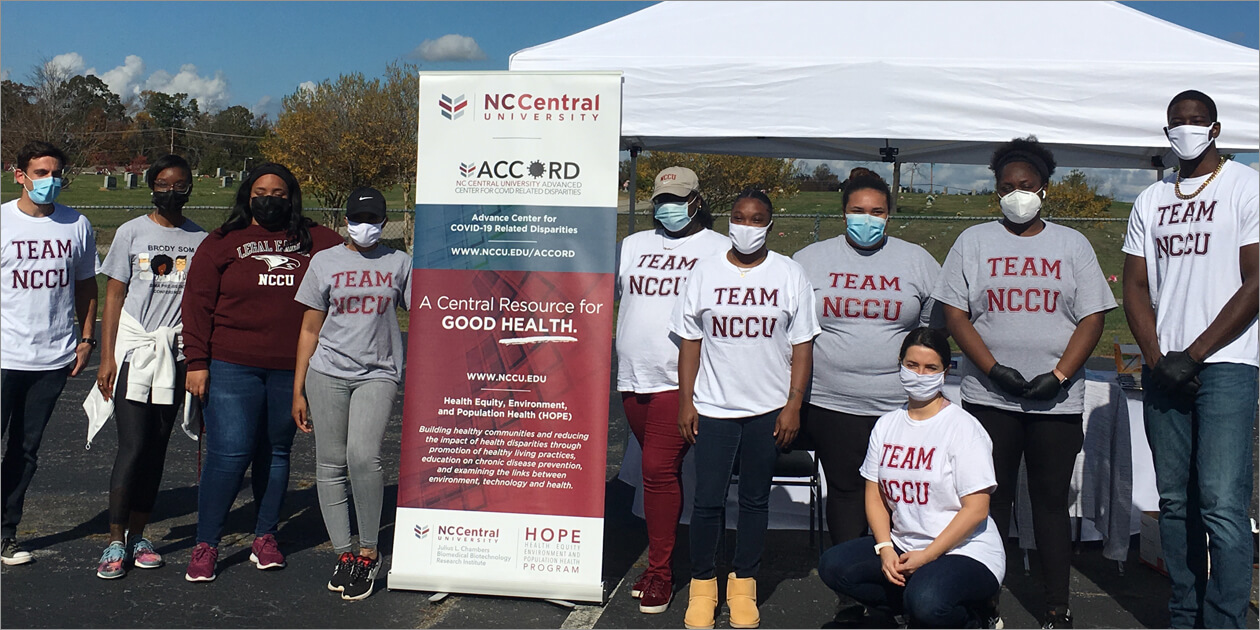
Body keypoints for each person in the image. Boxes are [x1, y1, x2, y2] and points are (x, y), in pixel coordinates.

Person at [932, 137, 1116, 629]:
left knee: (1050, 505)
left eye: (1027, 186)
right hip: (989, 398)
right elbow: (955, 312)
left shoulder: (1072, 244)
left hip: (1055, 402)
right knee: (989, 504)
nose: (1018, 194)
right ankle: (983, 600)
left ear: (1044, 189)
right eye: (1007, 187)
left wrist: (1059, 376)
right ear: (996, 191)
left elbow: (1093, 316)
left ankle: (1057, 606)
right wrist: (993, 369)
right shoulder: (973, 241)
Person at [1122, 90, 1258, 629]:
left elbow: (1254, 282)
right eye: (1177, 122)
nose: (1187, 129)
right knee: (1176, 503)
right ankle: (1184, 614)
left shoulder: (1246, 187)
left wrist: (1195, 354)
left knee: (1223, 505)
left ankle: (1225, 620)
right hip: (1164, 369)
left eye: (1196, 121)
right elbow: (1134, 286)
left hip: (1227, 364)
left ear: (1216, 128)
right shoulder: (1151, 200)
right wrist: (1157, 357)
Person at [180, 162, 342, 582]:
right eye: (261, 191)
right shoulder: (222, 241)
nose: (269, 199)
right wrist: (196, 362)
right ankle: (207, 543)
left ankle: (265, 535)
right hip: (232, 363)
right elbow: (196, 305)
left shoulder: (318, 241)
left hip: (293, 368)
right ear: (247, 196)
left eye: (279, 192)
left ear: (291, 197)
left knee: (276, 452)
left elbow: (354, 263)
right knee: (228, 454)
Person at [672, 188, 820, 630]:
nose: (747, 226)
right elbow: (690, 342)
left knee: (755, 502)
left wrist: (793, 405)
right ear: (728, 222)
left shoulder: (790, 274)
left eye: (757, 219)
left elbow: (803, 345)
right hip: (714, 408)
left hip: (769, 410)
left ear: (770, 225)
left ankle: (744, 585)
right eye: (739, 217)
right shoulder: (704, 271)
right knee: (707, 502)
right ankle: (703, 586)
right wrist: (686, 401)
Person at [793, 168, 942, 545]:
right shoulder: (808, 260)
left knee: (894, 494)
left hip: (897, 404)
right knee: (845, 491)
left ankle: (895, 575)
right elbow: (791, 331)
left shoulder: (917, 260)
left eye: (877, 212)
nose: (867, 218)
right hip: (831, 401)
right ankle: (850, 584)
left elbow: (929, 331)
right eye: (858, 210)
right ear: (843, 212)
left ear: (889, 216)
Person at [818, 327, 1004, 629]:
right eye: (912, 365)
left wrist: (928, 555)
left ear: (945, 372)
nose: (920, 374)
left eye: (930, 368)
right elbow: (875, 494)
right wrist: (885, 548)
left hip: (963, 550)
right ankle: (912, 610)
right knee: (834, 566)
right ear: (899, 365)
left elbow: (977, 509)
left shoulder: (963, 428)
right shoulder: (887, 425)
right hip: (904, 544)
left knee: (928, 601)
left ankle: (977, 617)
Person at [615, 166, 729, 614]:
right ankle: (688, 556)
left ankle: (661, 571)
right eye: (661, 199)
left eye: (677, 199)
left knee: (658, 472)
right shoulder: (634, 245)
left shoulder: (719, 249)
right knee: (661, 474)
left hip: (682, 382)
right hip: (633, 378)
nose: (668, 207)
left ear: (697, 201)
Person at [292, 187, 411, 601]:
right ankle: (344, 552)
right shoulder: (324, 262)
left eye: (375, 219)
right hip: (326, 373)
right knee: (330, 463)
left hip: (378, 372)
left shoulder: (399, 263)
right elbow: (309, 328)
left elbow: (429, 312)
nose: (367, 227)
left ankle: (368, 550)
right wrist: (298, 389)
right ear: (346, 221)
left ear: (384, 221)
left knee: (364, 456)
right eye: (360, 219)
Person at [93, 154, 207, 579]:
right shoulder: (131, 233)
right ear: (151, 186)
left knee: (157, 448)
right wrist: (107, 357)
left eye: (179, 184)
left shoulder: (200, 239)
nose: (170, 192)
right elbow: (114, 297)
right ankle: (114, 541)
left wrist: (198, 360)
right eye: (162, 183)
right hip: (135, 351)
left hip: (174, 355)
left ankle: (141, 535)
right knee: (133, 445)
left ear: (190, 188)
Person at [1, 141, 99, 565]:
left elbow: (86, 287)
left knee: (24, 451)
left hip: (51, 358)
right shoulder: (2, 221)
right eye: (41, 173)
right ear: (19, 174)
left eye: (56, 173)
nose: (50, 181)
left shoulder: (77, 224)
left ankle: (5, 534)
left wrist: (86, 339)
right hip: (4, 355)